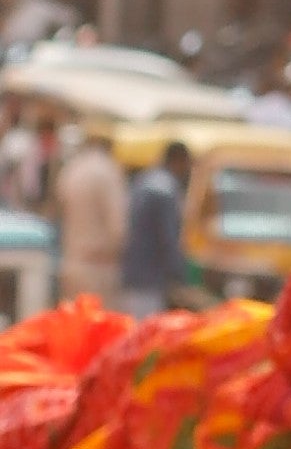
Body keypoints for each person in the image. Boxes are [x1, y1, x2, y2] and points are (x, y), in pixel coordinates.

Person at [49, 121, 125, 310]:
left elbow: (57, 210)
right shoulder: (108, 171)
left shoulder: (72, 169)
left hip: (72, 262)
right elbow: (118, 228)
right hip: (99, 267)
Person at [115, 140, 188, 311]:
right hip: (151, 276)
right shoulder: (165, 190)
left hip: (133, 270)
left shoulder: (144, 180)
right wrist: (179, 273)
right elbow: (168, 238)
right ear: (179, 160)